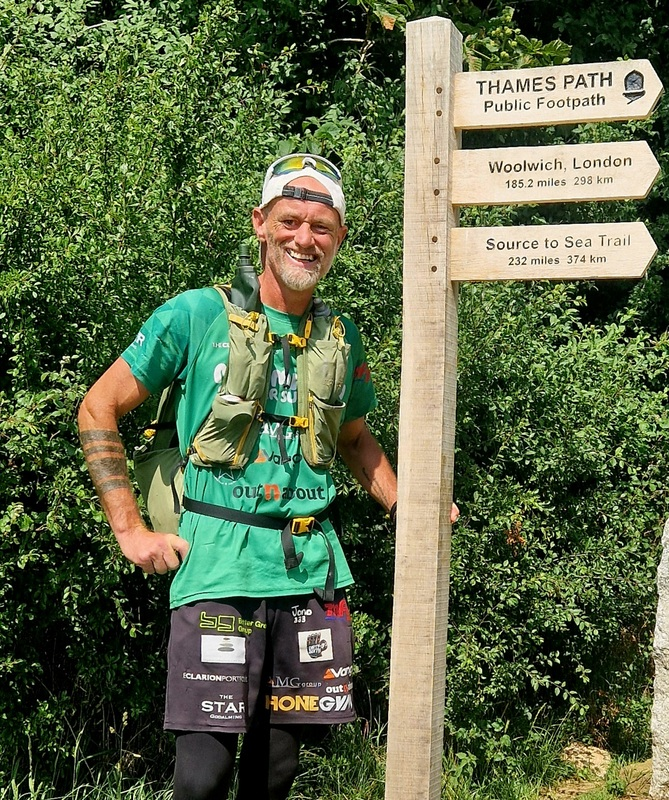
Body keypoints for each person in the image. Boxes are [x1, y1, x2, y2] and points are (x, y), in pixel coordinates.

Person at [78, 152, 459, 800]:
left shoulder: (340, 336)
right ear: (261, 222)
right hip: (219, 567)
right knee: (204, 776)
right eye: (290, 220)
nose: (304, 238)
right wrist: (131, 530)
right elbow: (99, 406)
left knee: (278, 772)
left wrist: (408, 505)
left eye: (321, 225)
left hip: (311, 573)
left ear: (339, 237)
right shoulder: (197, 315)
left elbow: (355, 439)